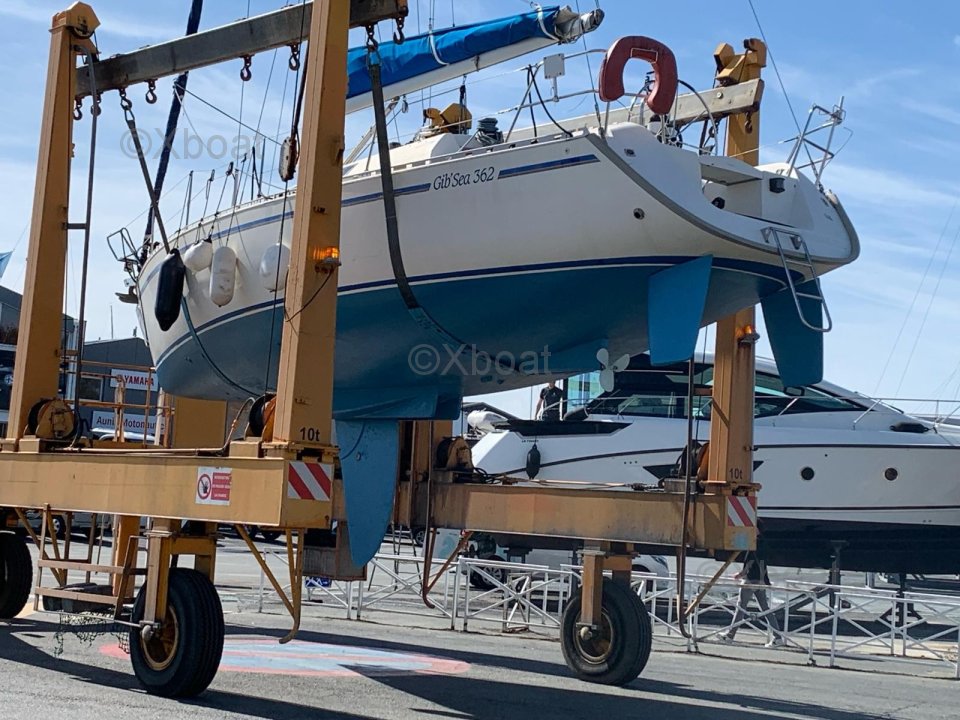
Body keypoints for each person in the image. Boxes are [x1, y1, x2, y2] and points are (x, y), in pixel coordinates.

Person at [719, 551, 784, 647]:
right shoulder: (763, 546)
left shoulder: (751, 547)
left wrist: (740, 574)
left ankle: (730, 635)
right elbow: (762, 565)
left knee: (741, 607)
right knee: (765, 609)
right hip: (761, 582)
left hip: (749, 581)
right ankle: (777, 637)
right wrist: (765, 581)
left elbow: (749, 565)